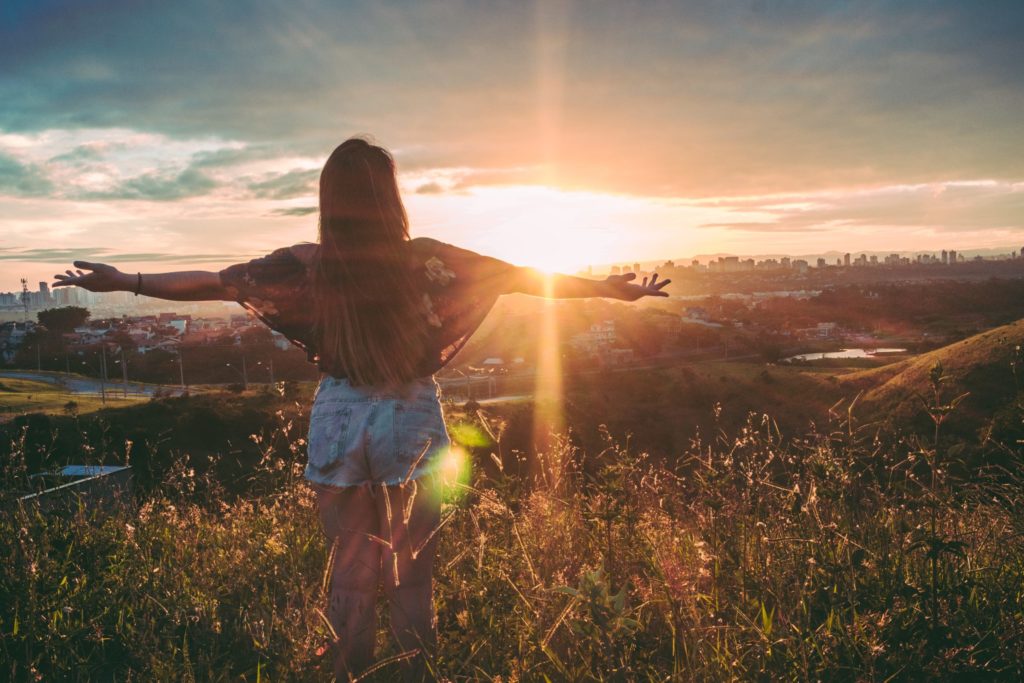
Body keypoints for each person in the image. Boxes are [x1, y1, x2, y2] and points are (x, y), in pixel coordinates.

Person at [53, 137, 671, 679]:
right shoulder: (427, 258)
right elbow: (522, 277)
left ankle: (350, 669)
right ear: (390, 197)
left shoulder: (307, 263)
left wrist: (126, 280)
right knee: (411, 571)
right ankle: (411, 674)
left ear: (330, 199)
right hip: (411, 415)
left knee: (349, 563)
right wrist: (610, 290)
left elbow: (216, 280)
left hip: (339, 415)